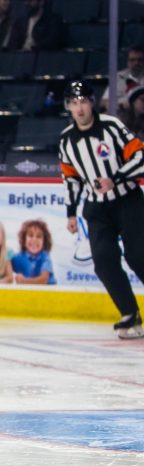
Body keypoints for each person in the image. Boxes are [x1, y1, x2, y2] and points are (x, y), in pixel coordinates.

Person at [59, 80, 144, 338]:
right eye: (74, 103)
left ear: (92, 102)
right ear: (68, 107)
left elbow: (140, 156)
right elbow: (71, 178)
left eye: (84, 101)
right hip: (96, 208)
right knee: (104, 261)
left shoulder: (111, 126)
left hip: (128, 201)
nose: (80, 108)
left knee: (138, 256)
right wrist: (71, 212)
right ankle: (130, 313)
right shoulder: (66, 140)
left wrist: (115, 179)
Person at [100, 45, 144, 114]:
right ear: (127, 62)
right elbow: (103, 102)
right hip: (120, 113)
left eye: (140, 60)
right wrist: (120, 105)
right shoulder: (117, 77)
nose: (136, 63)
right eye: (132, 60)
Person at [12, 219, 56, 285]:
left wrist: (24, 281)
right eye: (30, 235)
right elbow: (5, 263)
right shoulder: (19, 257)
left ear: (44, 242)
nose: (34, 239)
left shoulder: (44, 257)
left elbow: (44, 279)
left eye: (38, 236)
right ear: (24, 240)